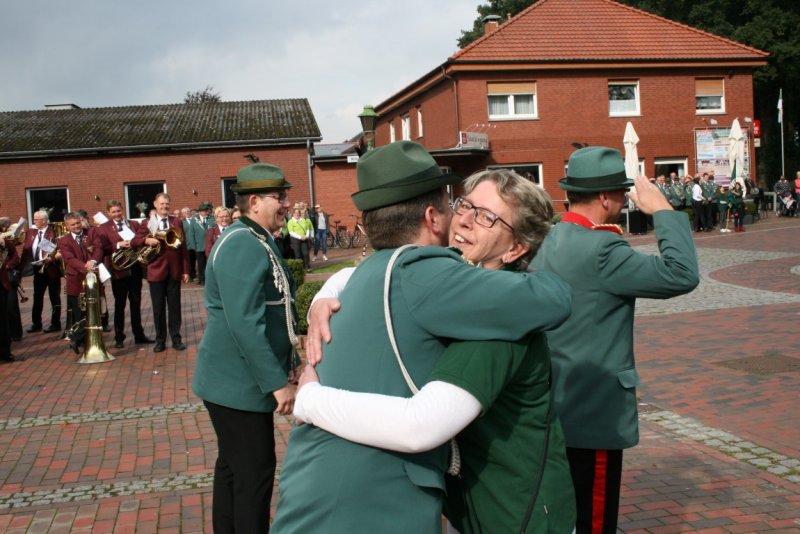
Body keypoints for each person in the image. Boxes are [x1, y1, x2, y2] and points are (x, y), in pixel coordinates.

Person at [271, 141, 572, 534]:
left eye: (486, 217)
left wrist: (310, 399)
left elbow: (420, 425)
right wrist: (328, 291)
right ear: (434, 217)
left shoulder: (499, 319)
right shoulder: (434, 284)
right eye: (463, 206)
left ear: (517, 248)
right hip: (467, 508)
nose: (463, 220)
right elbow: (400, 276)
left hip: (520, 514)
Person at [531, 146, 699, 534]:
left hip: (552, 404)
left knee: (560, 514)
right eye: (622, 194)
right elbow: (681, 274)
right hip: (594, 410)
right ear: (605, 198)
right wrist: (665, 213)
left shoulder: (547, 239)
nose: (625, 201)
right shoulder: (603, 247)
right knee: (594, 521)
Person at [193, 162, 300, 533]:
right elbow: (245, 324)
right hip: (237, 384)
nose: (286, 203)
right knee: (253, 475)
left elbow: (277, 308)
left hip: (235, 382)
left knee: (234, 471)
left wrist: (292, 358)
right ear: (254, 201)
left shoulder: (255, 237)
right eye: (279, 197)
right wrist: (277, 383)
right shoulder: (242, 242)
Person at [132, 193, 190, 353]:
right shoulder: (147, 223)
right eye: (162, 204)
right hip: (156, 270)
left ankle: (176, 339)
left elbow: (183, 247)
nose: (165, 206)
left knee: (175, 307)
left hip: (174, 270)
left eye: (167, 204)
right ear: (155, 204)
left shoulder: (176, 221)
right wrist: (146, 240)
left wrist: (185, 270)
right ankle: (160, 340)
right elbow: (134, 241)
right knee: (158, 309)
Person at [96, 200, 153, 349]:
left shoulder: (133, 224)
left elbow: (141, 241)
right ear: (109, 213)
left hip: (134, 269)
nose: (117, 214)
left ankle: (139, 335)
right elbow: (101, 249)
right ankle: (119, 337)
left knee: (136, 303)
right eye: (113, 212)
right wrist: (117, 245)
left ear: (123, 210)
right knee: (119, 304)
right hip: (118, 272)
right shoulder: (103, 228)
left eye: (119, 211)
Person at [58, 211, 104, 354]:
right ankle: (81, 340)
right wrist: (85, 266)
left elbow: (98, 248)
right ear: (67, 226)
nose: (77, 226)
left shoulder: (91, 232)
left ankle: (78, 338)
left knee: (95, 311)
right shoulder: (63, 240)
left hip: (93, 278)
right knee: (79, 313)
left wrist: (93, 261)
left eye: (78, 223)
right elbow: (69, 259)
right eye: (73, 225)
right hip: (76, 279)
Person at [21, 211, 63, 334]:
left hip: (51, 269)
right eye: (34, 219)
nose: (34, 221)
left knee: (54, 297)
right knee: (37, 296)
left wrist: (52, 257)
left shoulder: (53, 231)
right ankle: (36, 323)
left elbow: (58, 248)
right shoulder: (31, 232)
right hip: (38, 269)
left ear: (44, 220)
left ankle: (56, 323)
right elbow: (26, 250)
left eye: (36, 219)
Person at [0, 224, 22, 362]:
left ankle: (4, 352)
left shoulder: (4, 242)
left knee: (2, 319)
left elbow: (12, 254)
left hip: (1, 284)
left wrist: (2, 246)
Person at [189, 201, 215, 285]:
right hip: (199, 246)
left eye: (207, 210)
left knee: (209, 264)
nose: (206, 212)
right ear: (200, 211)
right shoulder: (194, 220)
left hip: (210, 246)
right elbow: (191, 233)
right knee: (200, 264)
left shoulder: (212, 219)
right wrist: (193, 245)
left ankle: (209, 279)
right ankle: (201, 279)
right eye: (204, 211)